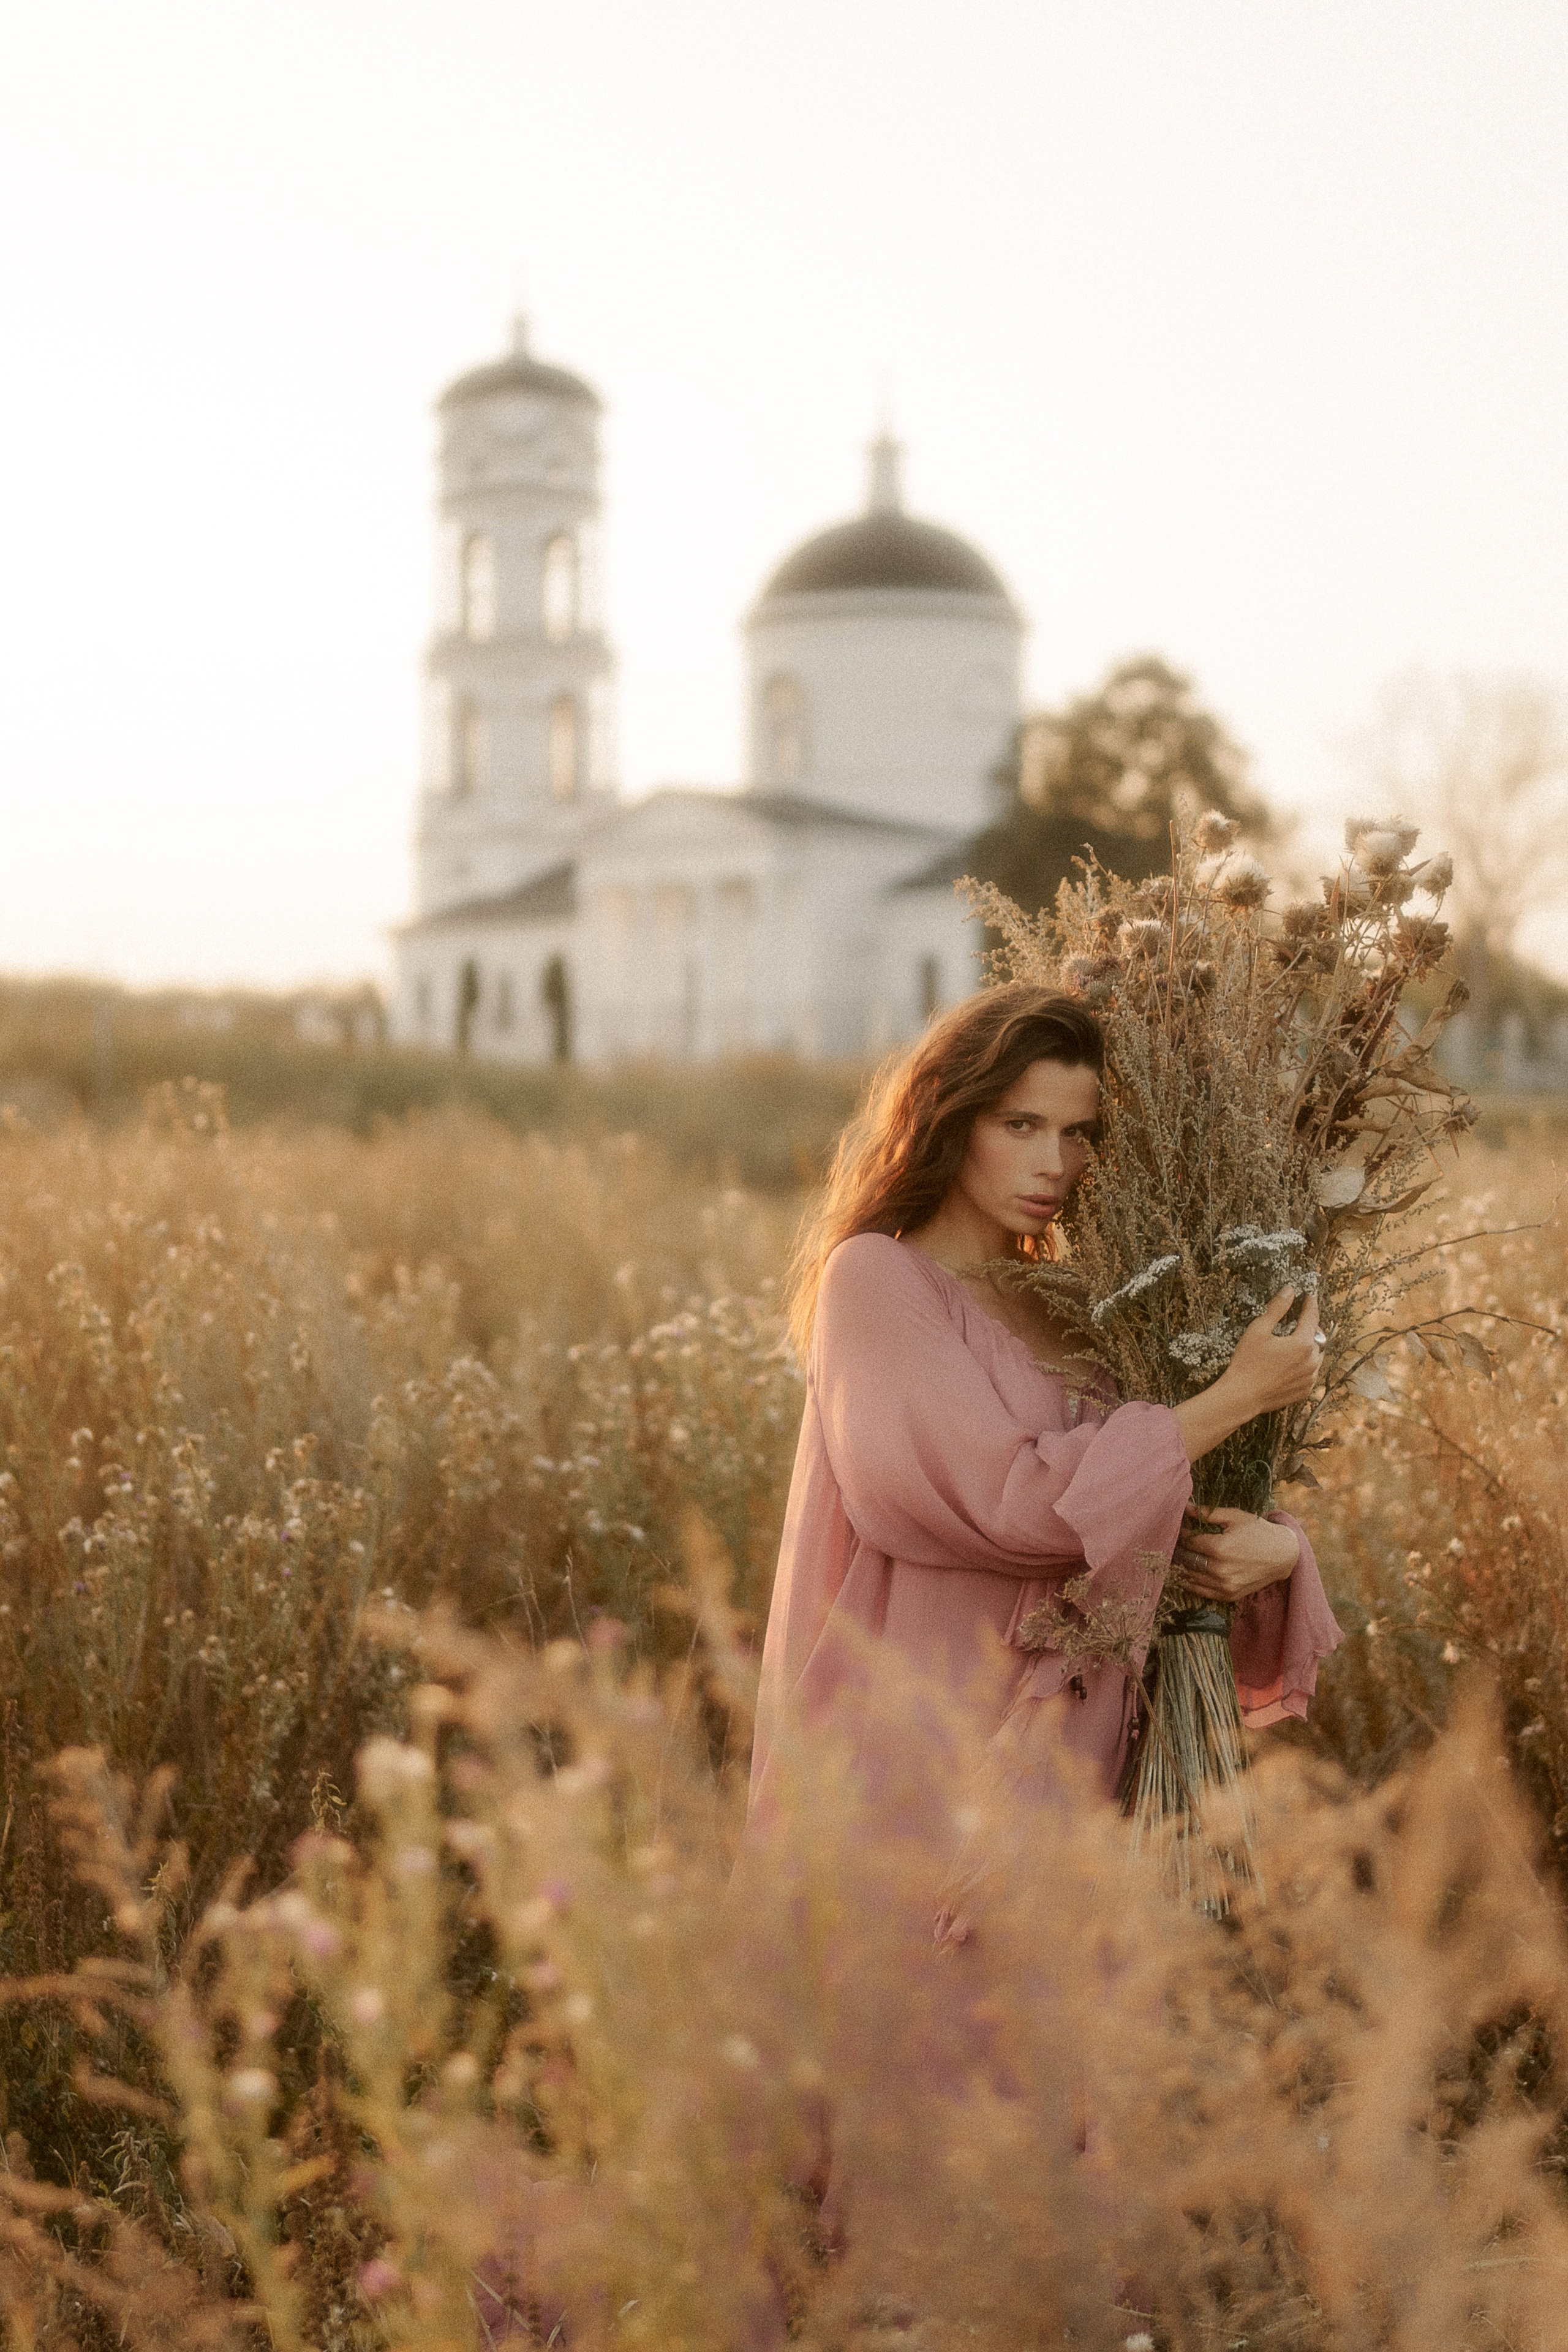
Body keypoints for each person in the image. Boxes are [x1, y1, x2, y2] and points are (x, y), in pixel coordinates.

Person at [748, 982, 1342, 1834]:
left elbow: (1149, 1501)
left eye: (1079, 1134)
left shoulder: (1079, 1305)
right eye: (1020, 1125)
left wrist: (1278, 1548)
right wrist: (1242, 1394)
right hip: (913, 1759)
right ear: (950, 1119)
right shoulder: (875, 1280)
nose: (1054, 1164)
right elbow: (1018, 1504)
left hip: (1070, 1765)